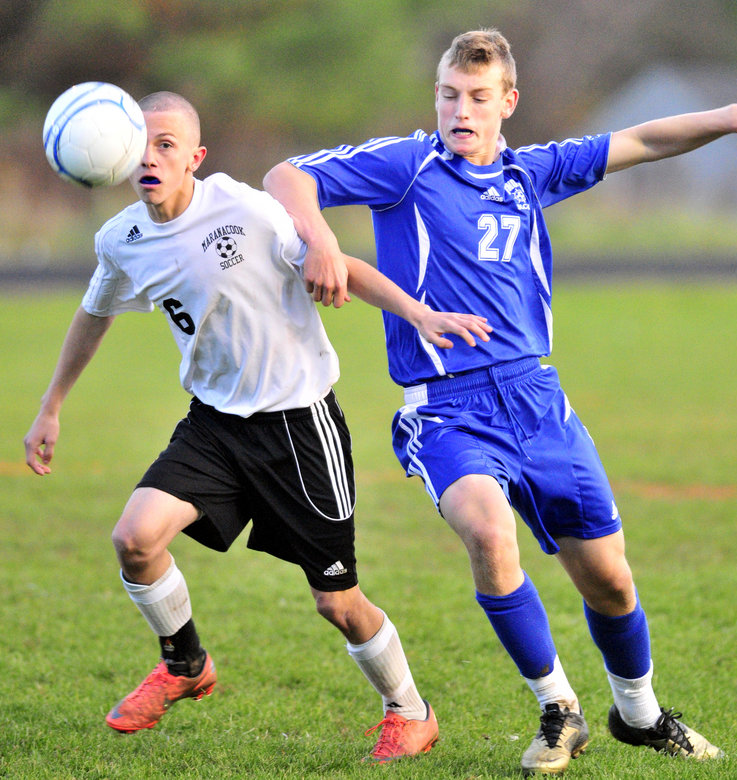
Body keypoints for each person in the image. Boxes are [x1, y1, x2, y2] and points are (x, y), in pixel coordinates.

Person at [263, 29, 737, 776]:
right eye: (450, 94)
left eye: (479, 97)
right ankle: (559, 710)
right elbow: (286, 176)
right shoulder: (407, 166)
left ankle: (639, 715)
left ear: (507, 103)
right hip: (448, 410)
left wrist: (736, 112)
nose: (461, 109)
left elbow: (643, 137)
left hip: (538, 399)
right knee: (488, 532)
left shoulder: (531, 173)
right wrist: (318, 237)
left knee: (608, 578)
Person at [23, 91, 492, 763]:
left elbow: (339, 266)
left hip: (299, 427)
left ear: (195, 157)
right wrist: (52, 403)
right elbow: (94, 312)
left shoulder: (242, 209)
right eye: (143, 145)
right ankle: (186, 664)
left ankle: (410, 711)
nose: (152, 157)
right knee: (134, 538)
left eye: (168, 145)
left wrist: (420, 315)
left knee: (337, 602)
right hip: (215, 426)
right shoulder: (122, 239)